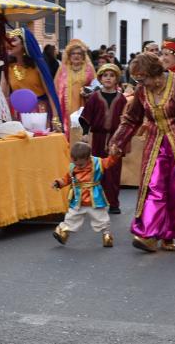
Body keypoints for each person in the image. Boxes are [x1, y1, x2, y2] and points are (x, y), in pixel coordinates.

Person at [108, 53, 175, 253]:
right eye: (137, 80)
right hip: (155, 145)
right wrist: (118, 140)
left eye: (143, 79)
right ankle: (149, 235)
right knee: (154, 188)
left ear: (155, 74)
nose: (141, 84)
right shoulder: (142, 91)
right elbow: (132, 119)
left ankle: (169, 234)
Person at [79, 64, 127, 214]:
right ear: (100, 78)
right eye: (105, 75)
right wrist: (86, 132)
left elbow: (127, 120)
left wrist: (124, 139)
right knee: (98, 169)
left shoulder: (121, 99)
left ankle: (114, 203)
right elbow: (86, 116)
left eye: (111, 76)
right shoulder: (94, 97)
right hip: (99, 138)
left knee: (114, 171)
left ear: (116, 79)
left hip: (116, 138)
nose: (108, 78)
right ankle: (98, 201)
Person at [51, 141, 118, 247]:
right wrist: (58, 183)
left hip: (95, 199)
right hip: (78, 199)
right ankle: (62, 233)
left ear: (88, 158)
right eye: (75, 163)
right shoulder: (73, 167)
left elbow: (109, 162)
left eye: (81, 164)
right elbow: (67, 179)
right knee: (72, 216)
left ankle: (106, 235)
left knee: (101, 218)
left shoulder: (98, 163)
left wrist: (113, 154)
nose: (78, 166)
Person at [2, 28, 62, 129]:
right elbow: (3, 96)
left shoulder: (38, 66)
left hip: (39, 114)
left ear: (24, 43)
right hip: (17, 115)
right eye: (7, 41)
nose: (8, 44)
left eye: (13, 40)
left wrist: (55, 118)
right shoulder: (7, 68)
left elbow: (50, 93)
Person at [54, 39, 96, 137]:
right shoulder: (63, 69)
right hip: (65, 107)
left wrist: (88, 92)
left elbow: (95, 87)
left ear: (83, 55)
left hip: (83, 105)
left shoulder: (89, 69)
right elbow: (56, 88)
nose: (76, 56)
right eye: (73, 53)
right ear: (69, 55)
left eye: (79, 53)